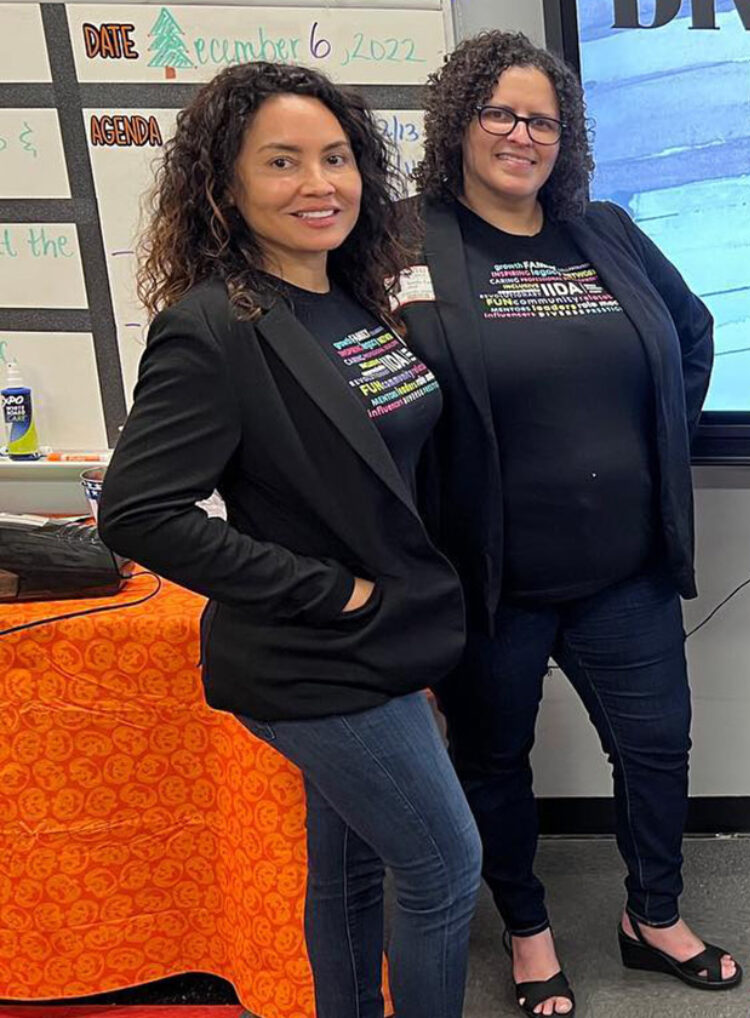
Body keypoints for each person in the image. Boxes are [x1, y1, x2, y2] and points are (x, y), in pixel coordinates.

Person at [98, 62, 480, 1018]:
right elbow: (139, 513)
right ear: (225, 186)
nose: (320, 183)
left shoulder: (348, 298)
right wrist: (333, 592)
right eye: (282, 162)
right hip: (312, 658)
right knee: (444, 870)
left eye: (336, 158)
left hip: (383, 640)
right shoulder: (212, 328)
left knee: (350, 871)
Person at [399, 30, 731, 1016]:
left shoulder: (606, 231)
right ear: (459, 125)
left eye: (542, 120)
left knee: (657, 747)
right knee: (495, 759)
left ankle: (653, 916)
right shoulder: (405, 244)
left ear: (566, 137)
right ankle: (529, 930)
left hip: (624, 569)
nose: (521, 135)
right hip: (487, 578)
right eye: (499, 113)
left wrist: (658, 444)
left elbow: (692, 332)